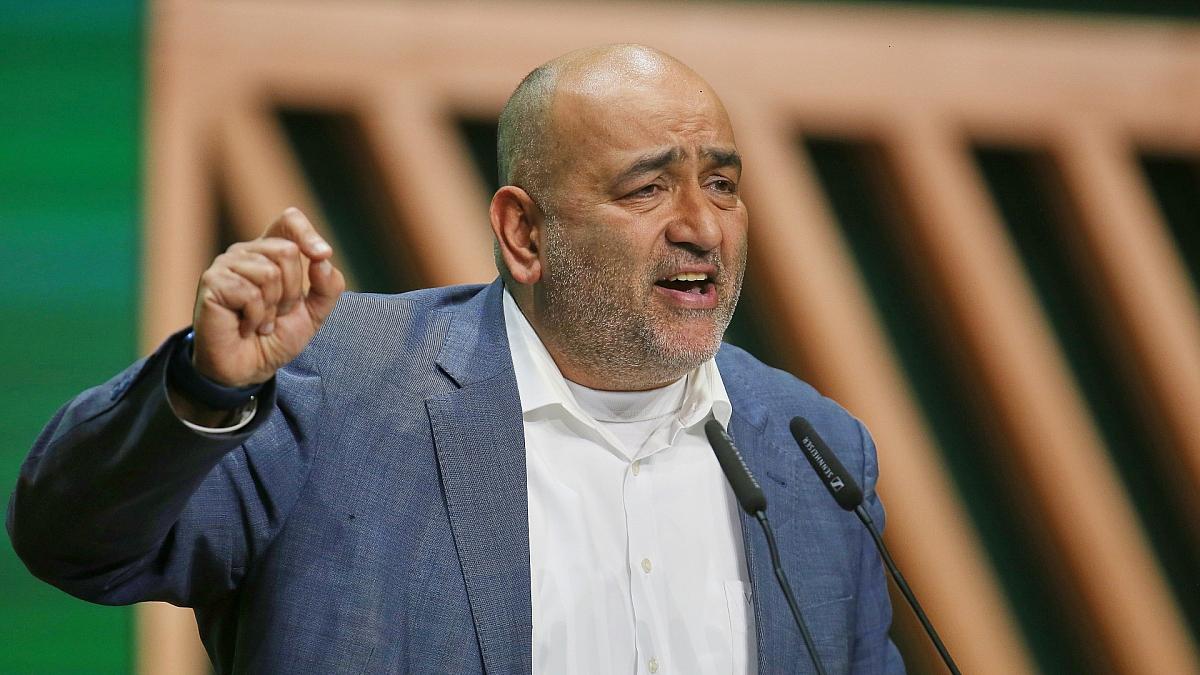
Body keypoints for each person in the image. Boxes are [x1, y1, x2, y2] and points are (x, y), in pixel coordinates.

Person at [8, 45, 903, 674]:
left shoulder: (815, 451)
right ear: (525, 233)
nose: (702, 226)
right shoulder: (337, 385)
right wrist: (205, 390)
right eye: (648, 187)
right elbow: (76, 545)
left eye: (722, 184)